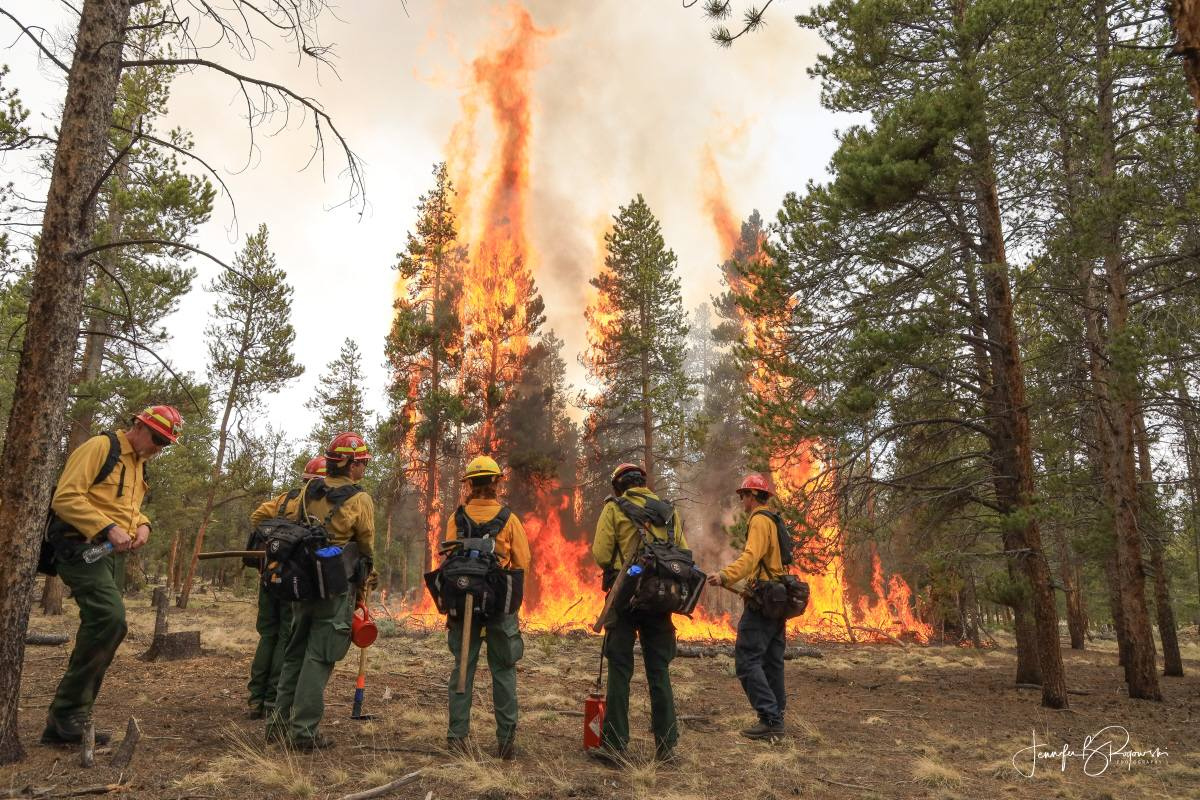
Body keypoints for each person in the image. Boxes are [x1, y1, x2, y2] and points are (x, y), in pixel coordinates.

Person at [42, 405, 183, 745]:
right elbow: (66, 497)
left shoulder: (138, 464)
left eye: (165, 444)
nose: (158, 448)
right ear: (139, 425)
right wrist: (106, 527)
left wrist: (143, 525)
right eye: (157, 438)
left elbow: (127, 508)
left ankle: (70, 718)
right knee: (109, 619)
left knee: (110, 626)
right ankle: (67, 715)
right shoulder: (101, 447)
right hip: (80, 547)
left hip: (108, 556)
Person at [266, 433, 375, 750]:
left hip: (301, 582)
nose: (364, 468)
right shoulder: (360, 499)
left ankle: (277, 727)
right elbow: (366, 545)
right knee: (320, 657)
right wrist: (367, 580)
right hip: (335, 585)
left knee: (294, 654)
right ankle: (304, 733)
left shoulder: (308, 491)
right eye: (362, 463)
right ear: (350, 464)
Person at [590, 463, 686, 764]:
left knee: (620, 668)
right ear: (643, 483)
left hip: (625, 595)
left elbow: (602, 555)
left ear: (619, 486)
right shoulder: (668, 511)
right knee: (659, 670)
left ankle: (615, 745)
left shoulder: (614, 508)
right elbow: (682, 552)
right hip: (659, 597)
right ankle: (667, 746)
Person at [442, 455, 531, 760]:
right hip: (498, 606)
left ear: (469, 484)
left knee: (462, 668)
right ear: (495, 483)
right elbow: (522, 562)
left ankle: (457, 738)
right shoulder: (509, 519)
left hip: (462, 603)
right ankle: (506, 741)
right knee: (503, 670)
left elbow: (449, 558)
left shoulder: (456, 518)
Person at [244, 455, 326, 720]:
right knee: (285, 638)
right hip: (294, 581)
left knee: (267, 635)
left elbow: (257, 517)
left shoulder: (284, 499)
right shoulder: (316, 504)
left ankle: (255, 699)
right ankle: (272, 699)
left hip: (268, 574)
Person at [707, 473, 787, 741]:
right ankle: (776, 717)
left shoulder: (760, 520)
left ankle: (770, 718)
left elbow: (751, 558)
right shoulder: (772, 520)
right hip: (776, 598)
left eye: (743, 496)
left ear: (753, 495)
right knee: (772, 661)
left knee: (746, 659)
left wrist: (725, 575)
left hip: (763, 600)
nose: (742, 501)